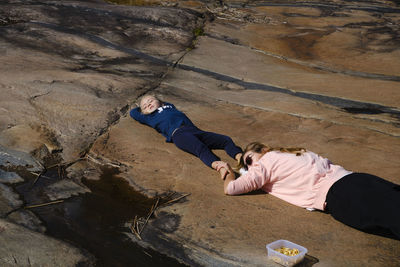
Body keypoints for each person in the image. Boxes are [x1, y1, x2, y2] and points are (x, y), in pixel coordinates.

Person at [220, 142, 400, 239]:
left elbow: (231, 188)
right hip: (357, 179)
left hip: (341, 193)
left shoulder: (266, 161)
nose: (250, 167)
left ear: (264, 150)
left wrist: (226, 170)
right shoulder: (296, 152)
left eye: (249, 160)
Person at [130, 94, 243, 178]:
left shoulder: (169, 106)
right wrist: (142, 108)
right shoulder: (149, 117)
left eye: (150, 101)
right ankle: (220, 167)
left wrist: (160, 103)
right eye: (144, 106)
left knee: (225, 140)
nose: (148, 104)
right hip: (178, 134)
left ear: (159, 101)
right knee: (201, 149)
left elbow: (165, 104)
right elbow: (133, 112)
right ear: (143, 112)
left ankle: (240, 157)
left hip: (195, 131)